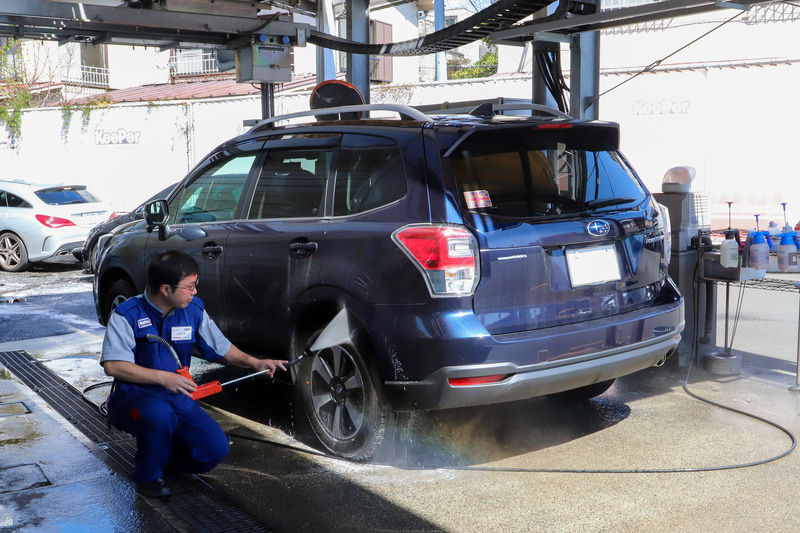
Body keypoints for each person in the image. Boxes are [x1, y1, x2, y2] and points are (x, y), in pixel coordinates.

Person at [100, 250, 287, 498]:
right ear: (166, 289)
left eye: (194, 285)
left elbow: (223, 347)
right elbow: (113, 365)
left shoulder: (193, 310)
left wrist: (255, 362)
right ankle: (148, 476)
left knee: (214, 448)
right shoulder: (127, 315)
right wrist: (163, 378)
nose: (195, 292)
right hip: (134, 397)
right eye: (189, 287)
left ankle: (163, 457)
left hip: (178, 396)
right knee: (158, 416)